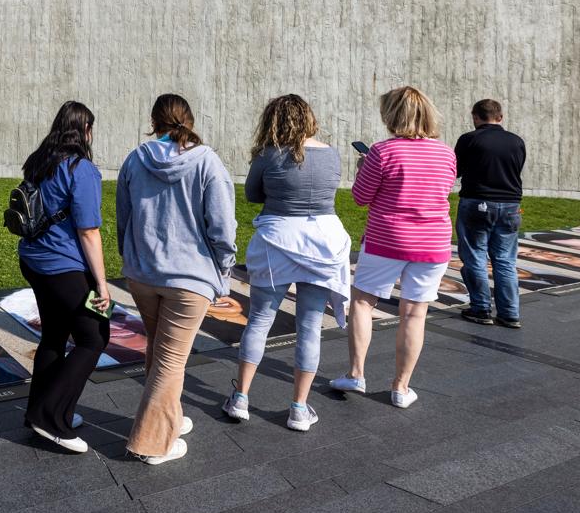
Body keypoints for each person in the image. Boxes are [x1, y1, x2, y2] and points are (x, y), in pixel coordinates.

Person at [116, 94, 237, 465]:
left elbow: (124, 218)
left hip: (143, 274)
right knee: (171, 359)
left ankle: (167, 418)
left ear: (154, 121)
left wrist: (131, 257)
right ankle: (152, 443)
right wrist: (225, 269)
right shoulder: (208, 163)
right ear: (189, 120)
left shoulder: (135, 160)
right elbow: (222, 228)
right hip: (189, 279)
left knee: (160, 349)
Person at [224, 95, 350, 433]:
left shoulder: (269, 155)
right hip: (324, 240)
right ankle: (298, 407)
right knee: (309, 327)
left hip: (277, 239)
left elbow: (252, 194)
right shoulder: (332, 154)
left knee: (260, 320)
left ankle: (241, 398)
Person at [331, 86, 456, 409]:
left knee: (362, 303)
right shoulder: (446, 152)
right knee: (415, 315)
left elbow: (361, 197)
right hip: (434, 242)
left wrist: (363, 169)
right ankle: (401, 387)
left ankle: (356, 373)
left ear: (392, 115)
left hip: (388, 239)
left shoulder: (382, 152)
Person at [15, 101, 111, 453]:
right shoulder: (81, 169)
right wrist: (102, 284)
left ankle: (39, 411)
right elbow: (89, 231)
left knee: (54, 336)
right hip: (62, 266)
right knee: (94, 337)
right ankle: (51, 416)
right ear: (85, 130)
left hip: (33, 260)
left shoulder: (40, 161)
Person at [454, 99, 527, 328]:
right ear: (500, 117)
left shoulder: (470, 139)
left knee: (475, 256)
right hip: (511, 205)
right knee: (505, 260)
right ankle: (510, 313)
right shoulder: (516, 141)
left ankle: (481, 308)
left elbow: (455, 170)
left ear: (475, 116)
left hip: (477, 202)